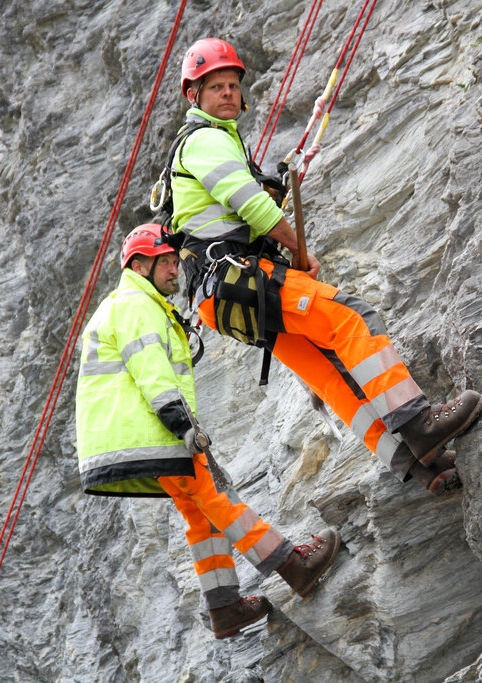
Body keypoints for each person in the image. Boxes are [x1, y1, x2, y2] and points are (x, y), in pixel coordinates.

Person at [167, 38, 482, 497]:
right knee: (352, 318)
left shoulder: (215, 145)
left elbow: (233, 214)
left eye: (233, 84)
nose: (228, 93)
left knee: (328, 373)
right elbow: (249, 205)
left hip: (226, 294)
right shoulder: (204, 141)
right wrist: (299, 247)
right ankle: (420, 425)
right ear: (193, 96)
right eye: (216, 86)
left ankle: (418, 467)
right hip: (238, 279)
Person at [74, 224, 340, 639]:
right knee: (219, 497)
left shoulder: (128, 304)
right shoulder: (133, 304)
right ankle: (295, 566)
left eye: (173, 262)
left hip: (134, 441)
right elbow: (151, 371)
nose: (173, 270)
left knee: (201, 516)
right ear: (138, 264)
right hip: (156, 434)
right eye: (163, 262)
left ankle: (225, 608)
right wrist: (183, 425)